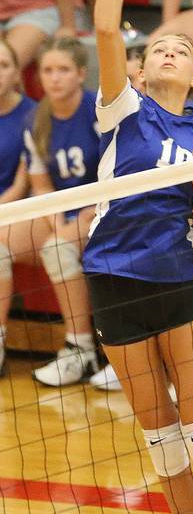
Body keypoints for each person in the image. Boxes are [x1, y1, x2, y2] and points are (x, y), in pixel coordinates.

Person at [86, 0, 193, 514]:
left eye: (182, 50)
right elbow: (105, 26)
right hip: (112, 277)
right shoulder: (124, 109)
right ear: (140, 70)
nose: (169, 51)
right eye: (158, 48)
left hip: (176, 278)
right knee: (162, 437)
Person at [19, 37, 101, 387]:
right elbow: (40, 185)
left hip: (104, 206)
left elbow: (117, 166)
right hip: (61, 210)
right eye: (48, 70)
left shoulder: (97, 109)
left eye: (63, 70)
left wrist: (85, 213)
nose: (54, 78)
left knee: (57, 249)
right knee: (4, 238)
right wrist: (56, 221)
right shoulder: (36, 119)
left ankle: (81, 349)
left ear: (81, 73)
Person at [0, 38, 35, 375]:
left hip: (14, 212)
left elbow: (21, 186)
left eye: (3, 65)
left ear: (16, 73)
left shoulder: (32, 114)